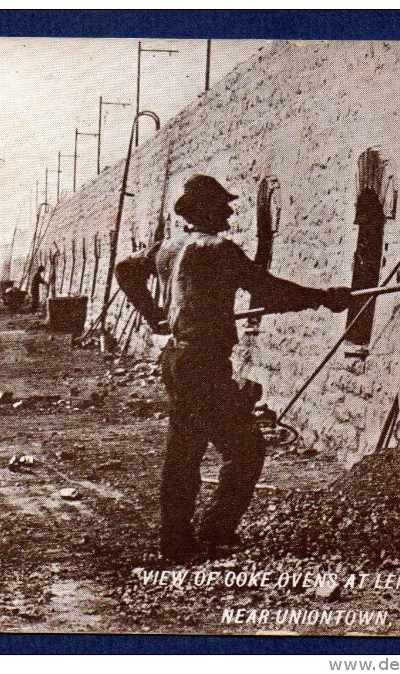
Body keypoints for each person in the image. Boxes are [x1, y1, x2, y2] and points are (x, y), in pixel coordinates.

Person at [115, 174, 350, 564]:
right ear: (201, 211)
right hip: (202, 363)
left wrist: (154, 316)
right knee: (242, 450)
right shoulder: (217, 250)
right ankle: (208, 534)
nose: (227, 212)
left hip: (177, 358)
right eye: (220, 206)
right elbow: (269, 290)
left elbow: (125, 269)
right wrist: (325, 298)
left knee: (186, 451)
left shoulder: (167, 248)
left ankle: (181, 540)